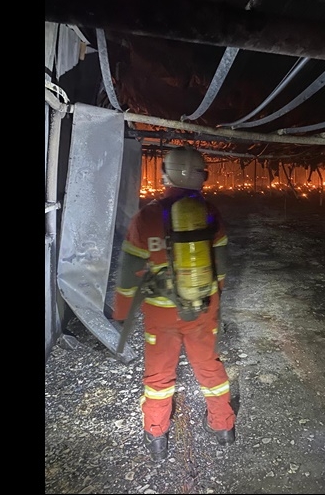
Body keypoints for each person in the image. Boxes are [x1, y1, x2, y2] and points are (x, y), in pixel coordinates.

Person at [112, 145, 236, 461]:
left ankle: (156, 436)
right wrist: (212, 300)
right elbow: (220, 266)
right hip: (200, 309)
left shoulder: (146, 216)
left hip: (161, 313)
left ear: (165, 174)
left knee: (158, 374)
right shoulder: (210, 212)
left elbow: (128, 274)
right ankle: (223, 427)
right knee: (209, 366)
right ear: (200, 178)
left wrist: (121, 314)